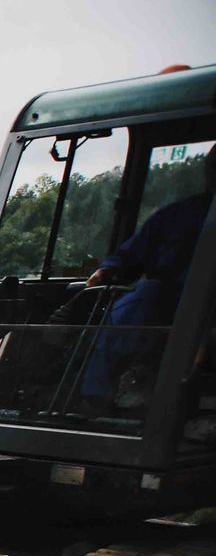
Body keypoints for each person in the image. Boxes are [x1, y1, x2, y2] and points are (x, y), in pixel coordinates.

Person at [78, 153, 212, 404]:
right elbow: (129, 254)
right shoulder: (178, 215)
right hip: (170, 306)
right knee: (140, 298)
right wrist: (107, 270)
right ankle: (96, 399)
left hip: (206, 312)